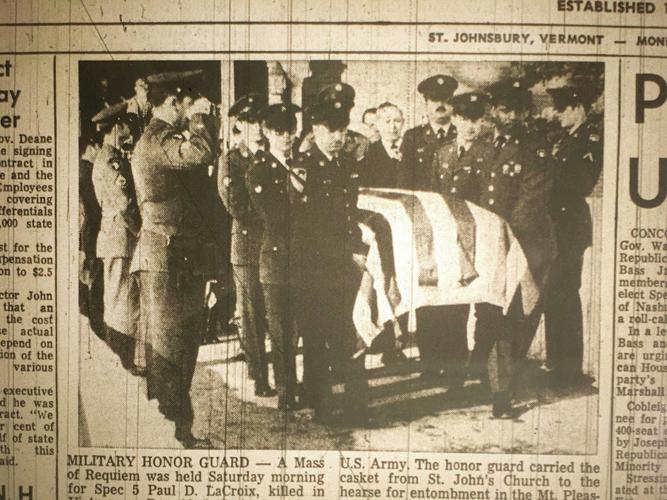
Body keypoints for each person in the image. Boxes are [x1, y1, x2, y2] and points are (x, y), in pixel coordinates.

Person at [130, 70, 216, 448]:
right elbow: (200, 153)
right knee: (169, 350)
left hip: (175, 257)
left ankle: (178, 429)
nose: (190, 110)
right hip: (167, 259)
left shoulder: (159, 140)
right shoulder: (157, 140)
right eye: (187, 104)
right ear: (173, 102)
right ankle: (174, 432)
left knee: (180, 346)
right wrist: (201, 120)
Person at [474, 79, 556, 415]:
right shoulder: (484, 145)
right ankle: (498, 390)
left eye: (514, 110)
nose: (506, 116)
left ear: (523, 112)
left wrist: (503, 237)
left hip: (523, 244)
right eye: (501, 109)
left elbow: (531, 200)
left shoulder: (534, 147)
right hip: (491, 242)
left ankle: (502, 386)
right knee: (493, 314)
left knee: (517, 316)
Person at [291, 83, 369, 424]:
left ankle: (355, 406)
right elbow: (308, 228)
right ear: (315, 129)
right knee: (317, 339)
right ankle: (318, 404)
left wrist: (360, 249)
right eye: (331, 130)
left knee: (349, 335)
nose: (339, 137)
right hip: (315, 269)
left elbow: (349, 215)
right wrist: (347, 252)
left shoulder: (345, 166)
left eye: (343, 130)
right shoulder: (303, 169)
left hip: (344, 267)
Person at [430, 92, 495, 399]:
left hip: (482, 240)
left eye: (476, 119)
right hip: (452, 240)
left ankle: (481, 370)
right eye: (465, 119)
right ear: (454, 119)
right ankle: (455, 373)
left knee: (485, 307)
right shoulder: (443, 153)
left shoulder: (491, 153)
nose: (471, 126)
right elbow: (433, 196)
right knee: (453, 306)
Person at [544, 85, 602, 387]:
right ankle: (555, 363)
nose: (557, 113)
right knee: (553, 293)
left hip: (570, 226)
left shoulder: (590, 140)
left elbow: (582, 183)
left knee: (566, 293)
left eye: (563, 108)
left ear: (579, 108)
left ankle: (570, 369)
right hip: (555, 225)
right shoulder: (563, 140)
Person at [218, 93, 274, 397]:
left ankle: (278, 372)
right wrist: (274, 215)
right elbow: (238, 206)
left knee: (275, 313)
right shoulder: (231, 161)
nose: (257, 128)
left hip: (273, 247)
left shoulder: (271, 156)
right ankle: (259, 375)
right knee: (252, 317)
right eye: (250, 122)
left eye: (260, 121)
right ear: (239, 124)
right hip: (248, 248)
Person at [247, 103, 302, 410]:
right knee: (280, 330)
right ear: (267, 132)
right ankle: (285, 390)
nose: (286, 137)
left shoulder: (302, 164)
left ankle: (299, 384)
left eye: (290, 130)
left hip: (303, 259)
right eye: (279, 131)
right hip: (277, 260)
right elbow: (272, 217)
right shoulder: (259, 169)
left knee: (300, 327)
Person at [90, 102, 142, 372]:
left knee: (123, 301)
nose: (127, 130)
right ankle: (121, 362)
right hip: (120, 240)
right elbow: (123, 204)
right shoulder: (111, 161)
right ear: (114, 128)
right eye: (124, 124)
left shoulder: (114, 157)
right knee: (120, 303)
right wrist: (141, 231)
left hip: (118, 239)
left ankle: (124, 360)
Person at [399, 74, 458, 190]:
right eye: (435, 99)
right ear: (425, 103)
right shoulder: (412, 137)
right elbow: (403, 180)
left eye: (446, 100)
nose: (440, 105)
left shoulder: (462, 135)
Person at [79, 132, 104, 338]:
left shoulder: (83, 170)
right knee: (95, 284)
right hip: (93, 235)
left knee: (89, 280)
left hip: (89, 235)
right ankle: (95, 325)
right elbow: (94, 210)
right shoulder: (86, 172)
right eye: (97, 147)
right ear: (90, 148)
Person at [361, 102, 404, 189]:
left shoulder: (413, 147)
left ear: (403, 122)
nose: (393, 126)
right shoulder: (370, 153)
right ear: (378, 124)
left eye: (397, 121)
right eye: (387, 122)